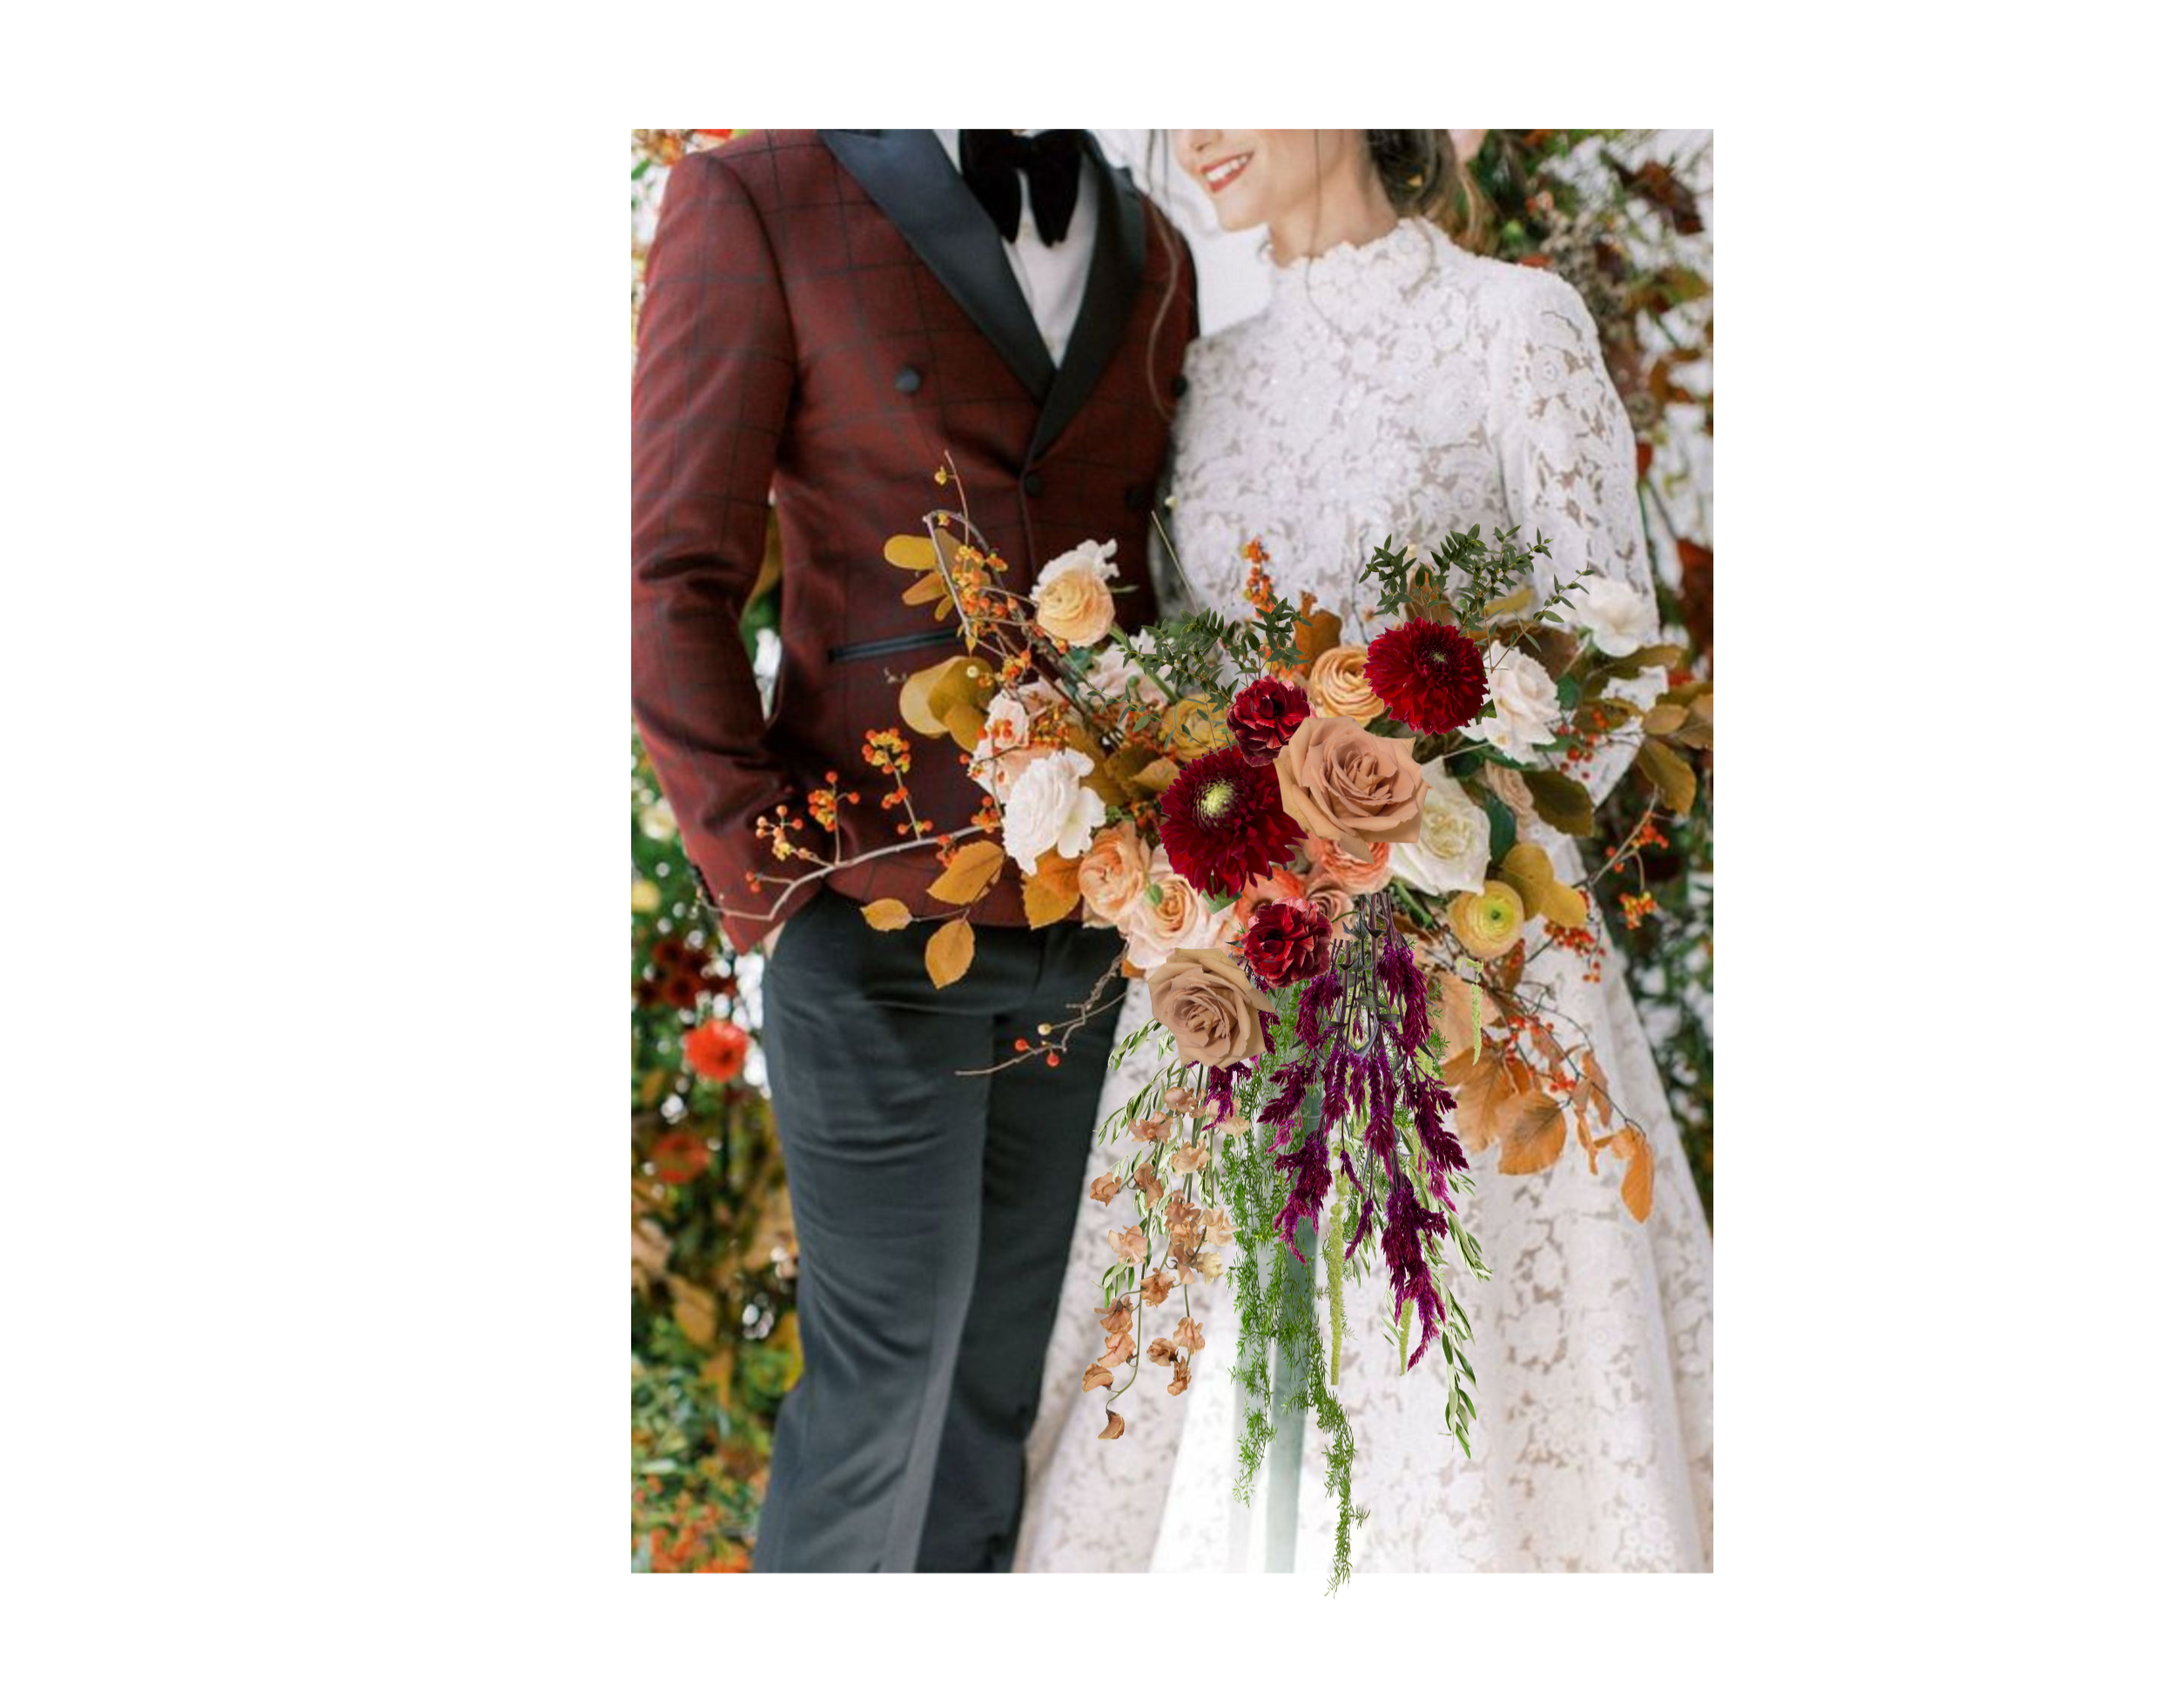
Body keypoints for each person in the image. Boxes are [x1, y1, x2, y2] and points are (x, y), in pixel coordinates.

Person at [1014, 129, 1714, 1574]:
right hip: (1241, 975)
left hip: (1476, 978)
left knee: (1461, 1399)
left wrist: (1441, 843)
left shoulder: (1515, 322)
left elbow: (1615, 666)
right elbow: (1194, 682)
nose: (1194, 138)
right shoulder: (1209, 374)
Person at [631, 128, 1200, 1572]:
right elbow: (668, 573)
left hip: (1093, 940)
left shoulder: (1155, 244)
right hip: (872, 920)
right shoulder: (758, 192)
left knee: (992, 1406)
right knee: (880, 1394)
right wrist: (772, 882)